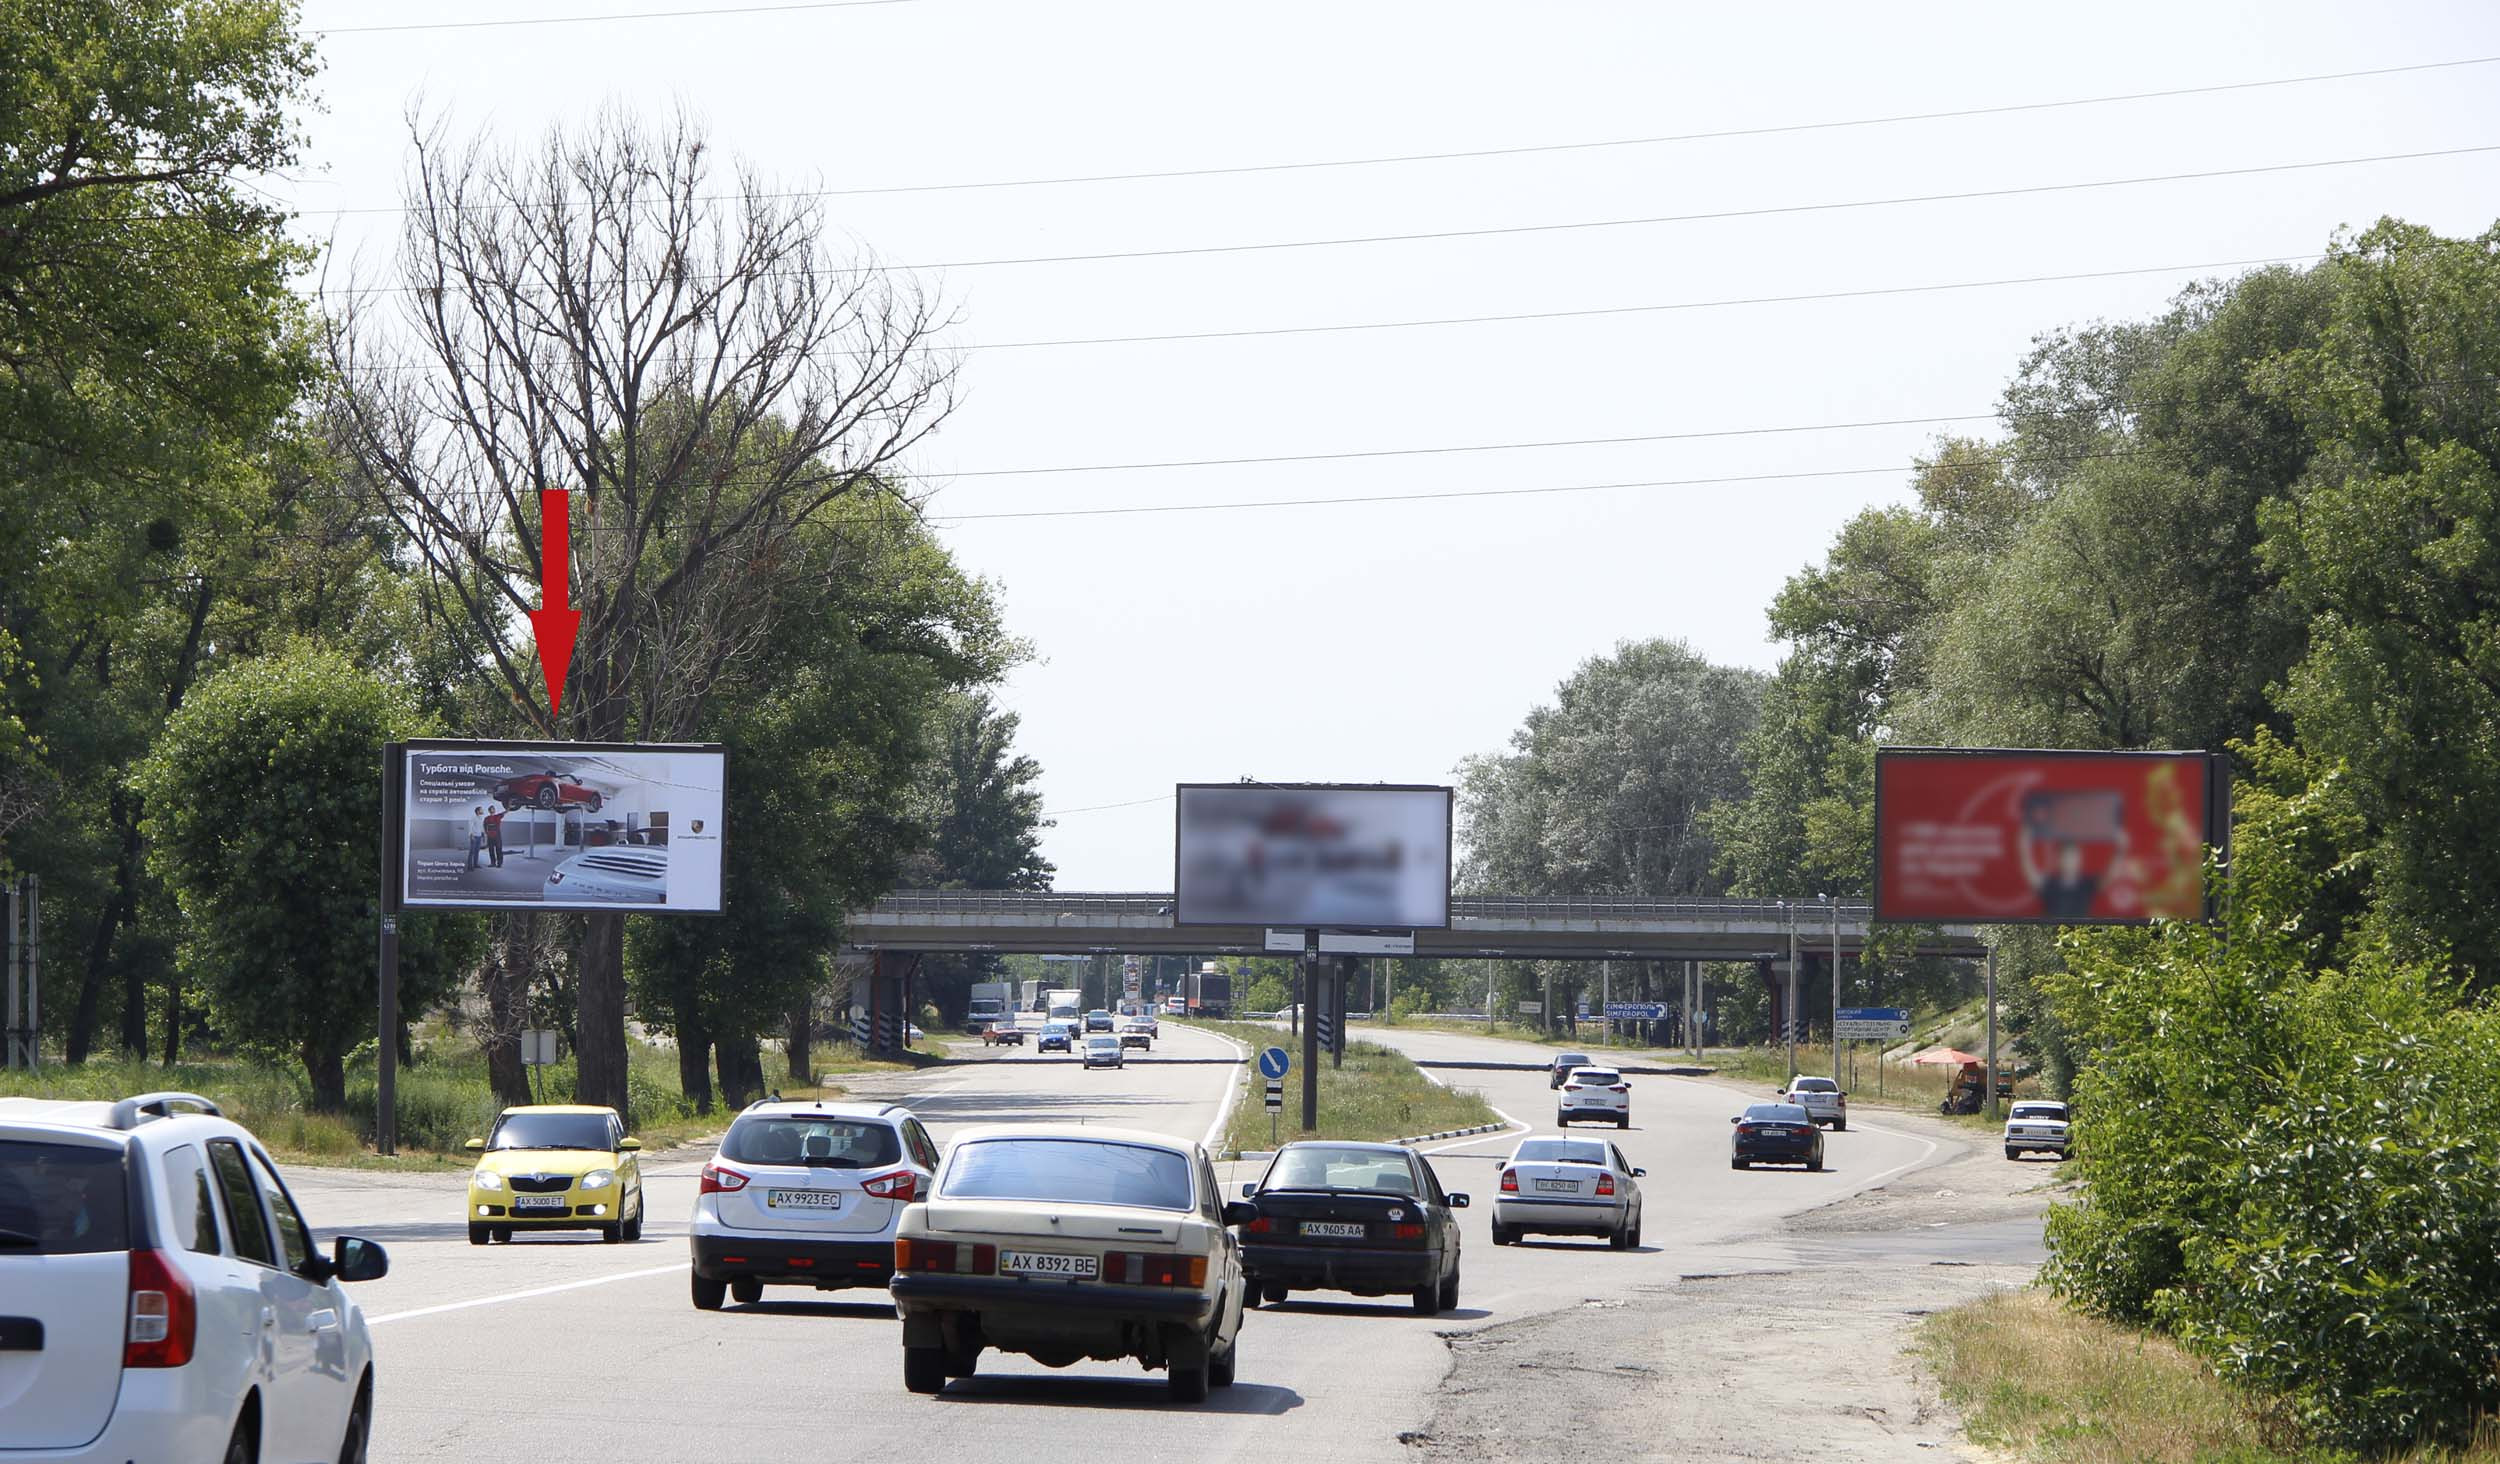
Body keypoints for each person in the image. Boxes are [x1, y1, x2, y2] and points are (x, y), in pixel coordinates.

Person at [484, 802, 506, 867]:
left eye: (493, 809)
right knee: (491, 850)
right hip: (490, 836)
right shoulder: (486, 818)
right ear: (489, 811)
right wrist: (487, 833)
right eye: (491, 809)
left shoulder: (498, 816)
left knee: (498, 849)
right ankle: (493, 863)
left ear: (494, 810)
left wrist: (509, 805)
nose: (492, 810)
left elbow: (506, 811)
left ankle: (499, 863)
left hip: (497, 836)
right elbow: (485, 827)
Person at [466, 805, 486, 871]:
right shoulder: (473, 817)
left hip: (479, 836)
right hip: (474, 836)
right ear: (478, 811)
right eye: (481, 809)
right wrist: (471, 835)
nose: (482, 811)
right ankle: (469, 866)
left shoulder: (481, 818)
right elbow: (470, 826)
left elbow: (481, 827)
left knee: (477, 851)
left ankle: (475, 864)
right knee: (472, 852)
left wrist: (483, 836)